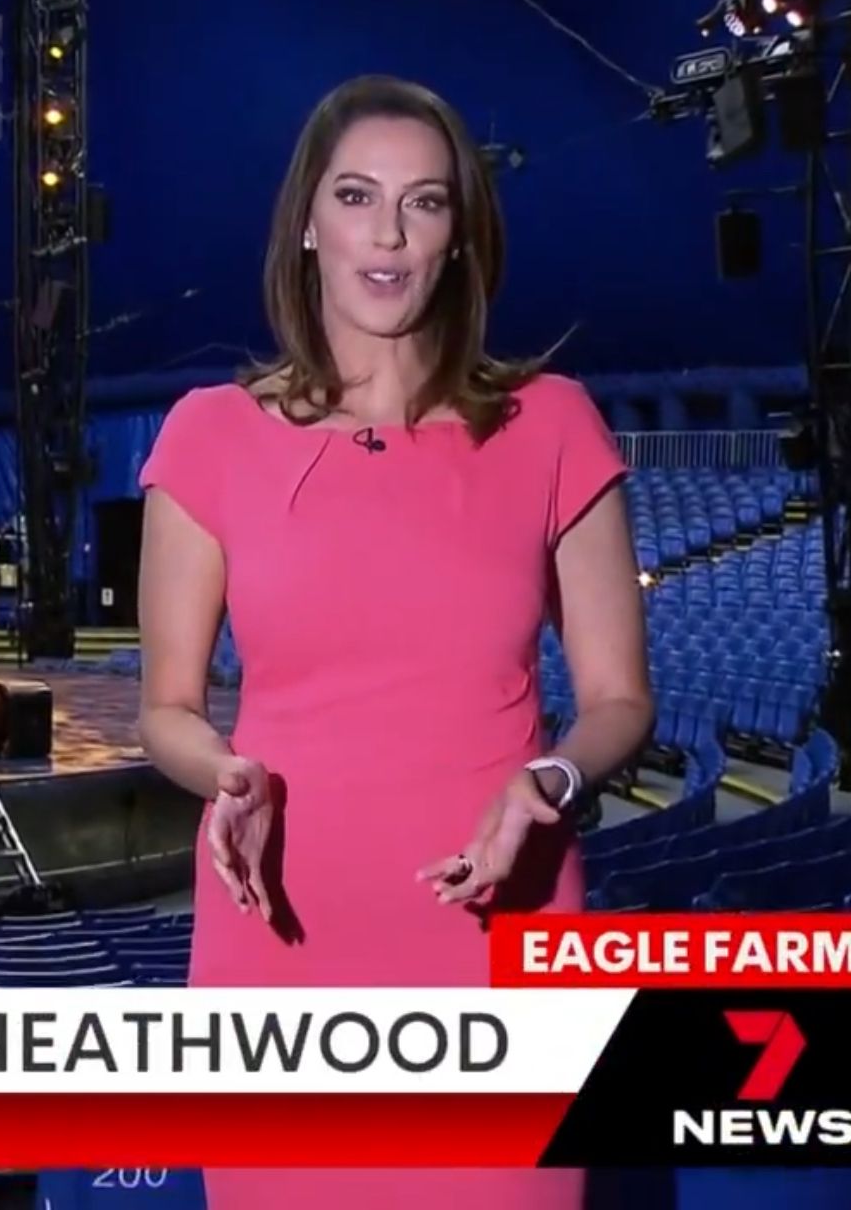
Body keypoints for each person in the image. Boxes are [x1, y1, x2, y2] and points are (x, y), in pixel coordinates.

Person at [134, 75, 651, 1208]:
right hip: (281, 931)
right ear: (307, 225)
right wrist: (224, 775)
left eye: (424, 203)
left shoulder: (552, 423)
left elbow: (619, 699)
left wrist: (552, 778)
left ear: (458, 235)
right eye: (357, 196)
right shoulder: (210, 436)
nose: (388, 233)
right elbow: (166, 707)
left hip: (497, 927)